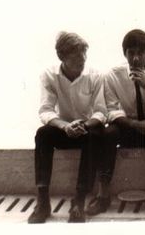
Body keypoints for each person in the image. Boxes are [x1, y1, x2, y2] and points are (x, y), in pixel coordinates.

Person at [87, 29, 145, 217]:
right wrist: (135, 125)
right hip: (128, 127)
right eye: (131, 53)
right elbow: (111, 110)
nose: (135, 58)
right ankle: (103, 195)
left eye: (140, 53)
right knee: (108, 133)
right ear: (124, 54)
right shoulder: (113, 75)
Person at [28, 32, 107, 223]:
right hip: (63, 129)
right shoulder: (49, 75)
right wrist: (65, 127)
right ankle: (43, 200)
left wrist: (83, 124)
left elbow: (101, 112)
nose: (82, 59)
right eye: (75, 55)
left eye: (83, 54)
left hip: (86, 129)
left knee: (95, 135)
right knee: (42, 134)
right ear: (61, 57)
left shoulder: (95, 75)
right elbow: (45, 110)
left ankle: (79, 200)